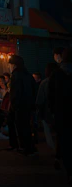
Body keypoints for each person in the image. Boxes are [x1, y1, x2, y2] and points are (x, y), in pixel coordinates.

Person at [7, 55, 37, 156]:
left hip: (19, 105)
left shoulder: (16, 75)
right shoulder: (28, 74)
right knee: (27, 127)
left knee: (21, 127)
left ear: (14, 65)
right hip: (28, 104)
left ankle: (25, 147)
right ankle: (30, 147)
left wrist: (13, 105)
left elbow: (15, 92)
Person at [49, 48, 72, 181]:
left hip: (62, 114)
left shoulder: (57, 74)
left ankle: (70, 171)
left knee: (65, 142)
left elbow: (51, 96)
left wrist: (53, 112)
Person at [36, 63, 57, 146]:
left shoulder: (45, 82)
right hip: (61, 110)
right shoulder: (66, 79)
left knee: (48, 131)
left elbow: (40, 100)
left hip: (47, 110)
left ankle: (54, 149)